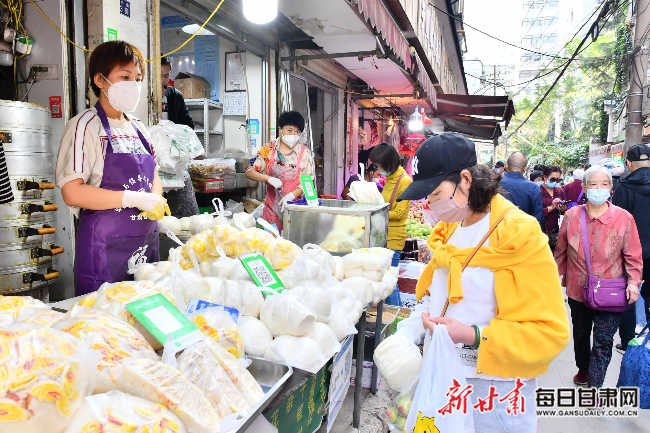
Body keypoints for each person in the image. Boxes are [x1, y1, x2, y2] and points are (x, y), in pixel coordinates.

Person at [392, 133, 569, 430]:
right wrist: (407, 333)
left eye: (435, 193)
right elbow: (435, 295)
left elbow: (549, 331)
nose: (430, 203)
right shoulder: (450, 229)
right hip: (444, 377)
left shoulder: (518, 233)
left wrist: (472, 335)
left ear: (465, 179)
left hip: (494, 392)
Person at [56, 41, 169, 296]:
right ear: (100, 80)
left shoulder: (139, 128)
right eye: (125, 77)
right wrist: (134, 198)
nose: (134, 85)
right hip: (103, 251)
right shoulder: (85, 126)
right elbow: (72, 192)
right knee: (104, 316)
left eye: (137, 79)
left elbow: (154, 175)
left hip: (145, 245)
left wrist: (155, 199)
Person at [555, 166, 642, 388]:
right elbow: (561, 251)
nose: (599, 188)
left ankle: (595, 386)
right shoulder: (572, 216)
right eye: (593, 184)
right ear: (585, 188)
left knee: (603, 341)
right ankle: (583, 369)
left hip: (611, 291)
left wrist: (633, 283)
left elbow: (633, 254)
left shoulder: (624, 218)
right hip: (577, 288)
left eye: (604, 184)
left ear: (611, 189)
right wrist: (553, 279)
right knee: (581, 334)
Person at [245, 111, 314, 232]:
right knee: (270, 242)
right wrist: (268, 178)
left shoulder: (305, 153)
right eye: (289, 130)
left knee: (292, 242)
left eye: (297, 132)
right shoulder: (269, 148)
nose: (293, 135)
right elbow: (249, 171)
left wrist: (291, 195)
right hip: (271, 212)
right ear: (280, 129)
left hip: (294, 211)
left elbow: (308, 183)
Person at [613, 144, 650, 354]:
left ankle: (627, 341)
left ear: (629, 164)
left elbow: (618, 223)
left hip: (631, 252)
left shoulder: (624, 187)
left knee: (629, 293)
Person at [369, 143, 412, 306]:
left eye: (380, 166)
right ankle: (399, 314)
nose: (379, 169)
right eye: (377, 166)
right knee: (389, 282)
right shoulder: (389, 179)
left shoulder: (404, 181)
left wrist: (375, 212)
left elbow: (400, 214)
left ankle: (396, 315)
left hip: (393, 239)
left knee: (388, 283)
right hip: (384, 236)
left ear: (389, 163)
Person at [159, 56, 199, 218]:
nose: (163, 80)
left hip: (174, 161)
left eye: (166, 75)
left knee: (184, 213)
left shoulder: (174, 95)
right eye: (160, 76)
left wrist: (176, 134)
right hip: (155, 163)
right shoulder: (144, 97)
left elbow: (188, 126)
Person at [500, 152, 544, 227]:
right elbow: (538, 219)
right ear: (525, 168)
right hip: (524, 230)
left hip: (499, 230)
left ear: (506, 165)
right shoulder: (533, 188)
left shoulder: (495, 183)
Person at [540, 165, 566, 252]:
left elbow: (563, 212)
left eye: (558, 180)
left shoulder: (559, 191)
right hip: (541, 230)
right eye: (552, 179)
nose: (555, 182)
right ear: (545, 177)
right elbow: (535, 212)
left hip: (555, 230)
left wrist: (563, 208)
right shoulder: (537, 191)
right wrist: (550, 208)